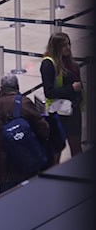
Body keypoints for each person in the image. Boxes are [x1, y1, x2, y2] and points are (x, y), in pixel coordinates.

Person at [0, 75, 50, 194]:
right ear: (17, 87)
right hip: (25, 161)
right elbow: (43, 128)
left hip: (1, 166)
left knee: (6, 201)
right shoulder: (23, 103)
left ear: (1, 88)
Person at [40, 32, 83, 164]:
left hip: (74, 111)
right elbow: (49, 92)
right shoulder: (48, 64)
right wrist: (72, 88)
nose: (68, 48)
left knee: (76, 147)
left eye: (69, 44)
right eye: (64, 46)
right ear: (56, 47)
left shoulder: (71, 63)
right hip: (58, 113)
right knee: (57, 150)